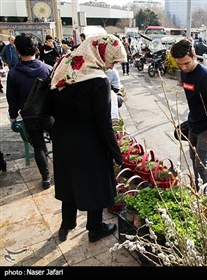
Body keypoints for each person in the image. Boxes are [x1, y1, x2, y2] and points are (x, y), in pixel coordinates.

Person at [49, 34, 126, 243]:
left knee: (68, 181)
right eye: (113, 60)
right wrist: (116, 153)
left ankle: (67, 224)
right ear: (102, 52)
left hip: (63, 138)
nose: (111, 66)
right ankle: (95, 227)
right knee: (94, 183)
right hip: (89, 142)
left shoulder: (63, 66)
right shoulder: (98, 80)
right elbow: (103, 124)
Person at [170, 38, 207, 193]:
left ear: (194, 56)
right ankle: (197, 188)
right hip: (193, 123)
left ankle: (203, 196)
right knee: (193, 160)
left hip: (206, 128)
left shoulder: (206, 76)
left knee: (201, 164)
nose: (183, 67)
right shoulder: (183, 73)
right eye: (180, 64)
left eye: (186, 63)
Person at [6, 33, 53, 189]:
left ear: (17, 51)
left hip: (29, 117)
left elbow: (12, 100)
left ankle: (46, 178)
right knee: (58, 143)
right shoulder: (48, 69)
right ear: (37, 50)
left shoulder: (13, 74)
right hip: (49, 115)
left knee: (39, 146)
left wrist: (13, 119)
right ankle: (61, 174)